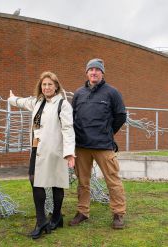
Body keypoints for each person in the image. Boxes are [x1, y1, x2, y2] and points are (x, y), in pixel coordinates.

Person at [9, 71, 75, 239]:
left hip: (55, 150)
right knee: (34, 179)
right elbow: (24, 102)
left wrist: (69, 153)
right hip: (37, 149)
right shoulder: (38, 102)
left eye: (50, 84)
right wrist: (12, 99)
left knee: (56, 184)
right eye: (44, 84)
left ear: (56, 86)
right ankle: (41, 220)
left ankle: (56, 217)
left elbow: (68, 129)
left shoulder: (63, 104)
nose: (46, 87)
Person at [69, 58, 127, 229]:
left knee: (113, 181)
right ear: (86, 73)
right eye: (91, 70)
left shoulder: (112, 92)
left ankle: (118, 214)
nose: (94, 72)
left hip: (103, 146)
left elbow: (120, 116)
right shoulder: (79, 93)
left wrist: (108, 133)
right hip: (82, 147)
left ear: (102, 73)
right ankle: (82, 212)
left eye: (97, 70)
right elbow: (73, 117)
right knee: (83, 182)